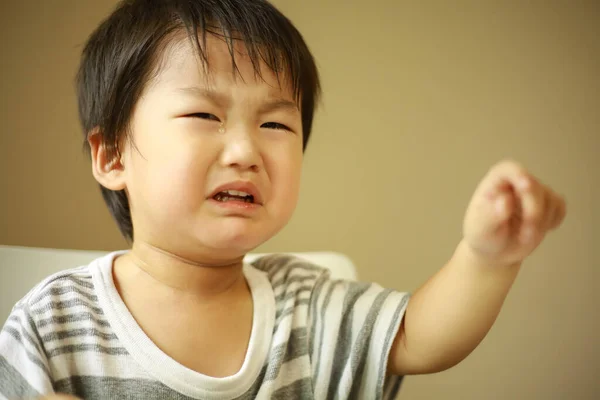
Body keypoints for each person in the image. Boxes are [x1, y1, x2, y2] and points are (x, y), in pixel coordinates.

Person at [0, 0, 566, 399]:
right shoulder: (55, 323)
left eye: (276, 124)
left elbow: (421, 337)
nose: (246, 149)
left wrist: (487, 257)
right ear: (113, 156)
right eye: (204, 115)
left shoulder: (306, 302)